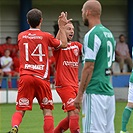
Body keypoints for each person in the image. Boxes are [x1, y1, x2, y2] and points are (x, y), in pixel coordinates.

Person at [8, 8, 70, 133]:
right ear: (41, 20)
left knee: (20, 109)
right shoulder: (46, 36)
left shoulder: (21, 36)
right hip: (41, 78)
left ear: (27, 21)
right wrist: (62, 27)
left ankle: (15, 127)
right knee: (47, 111)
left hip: (26, 77)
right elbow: (63, 44)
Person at [74, 0, 116, 133]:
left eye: (82, 11)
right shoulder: (109, 34)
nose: (82, 14)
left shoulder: (91, 35)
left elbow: (89, 66)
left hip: (94, 92)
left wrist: (79, 94)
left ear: (87, 12)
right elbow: (110, 66)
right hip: (109, 93)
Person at [53, 21, 82, 133]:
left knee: (73, 116)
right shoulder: (59, 46)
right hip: (64, 85)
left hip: (75, 85)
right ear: (62, 31)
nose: (72, 31)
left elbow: (89, 53)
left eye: (73, 29)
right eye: (68, 28)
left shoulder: (77, 46)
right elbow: (57, 42)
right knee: (73, 112)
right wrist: (61, 26)